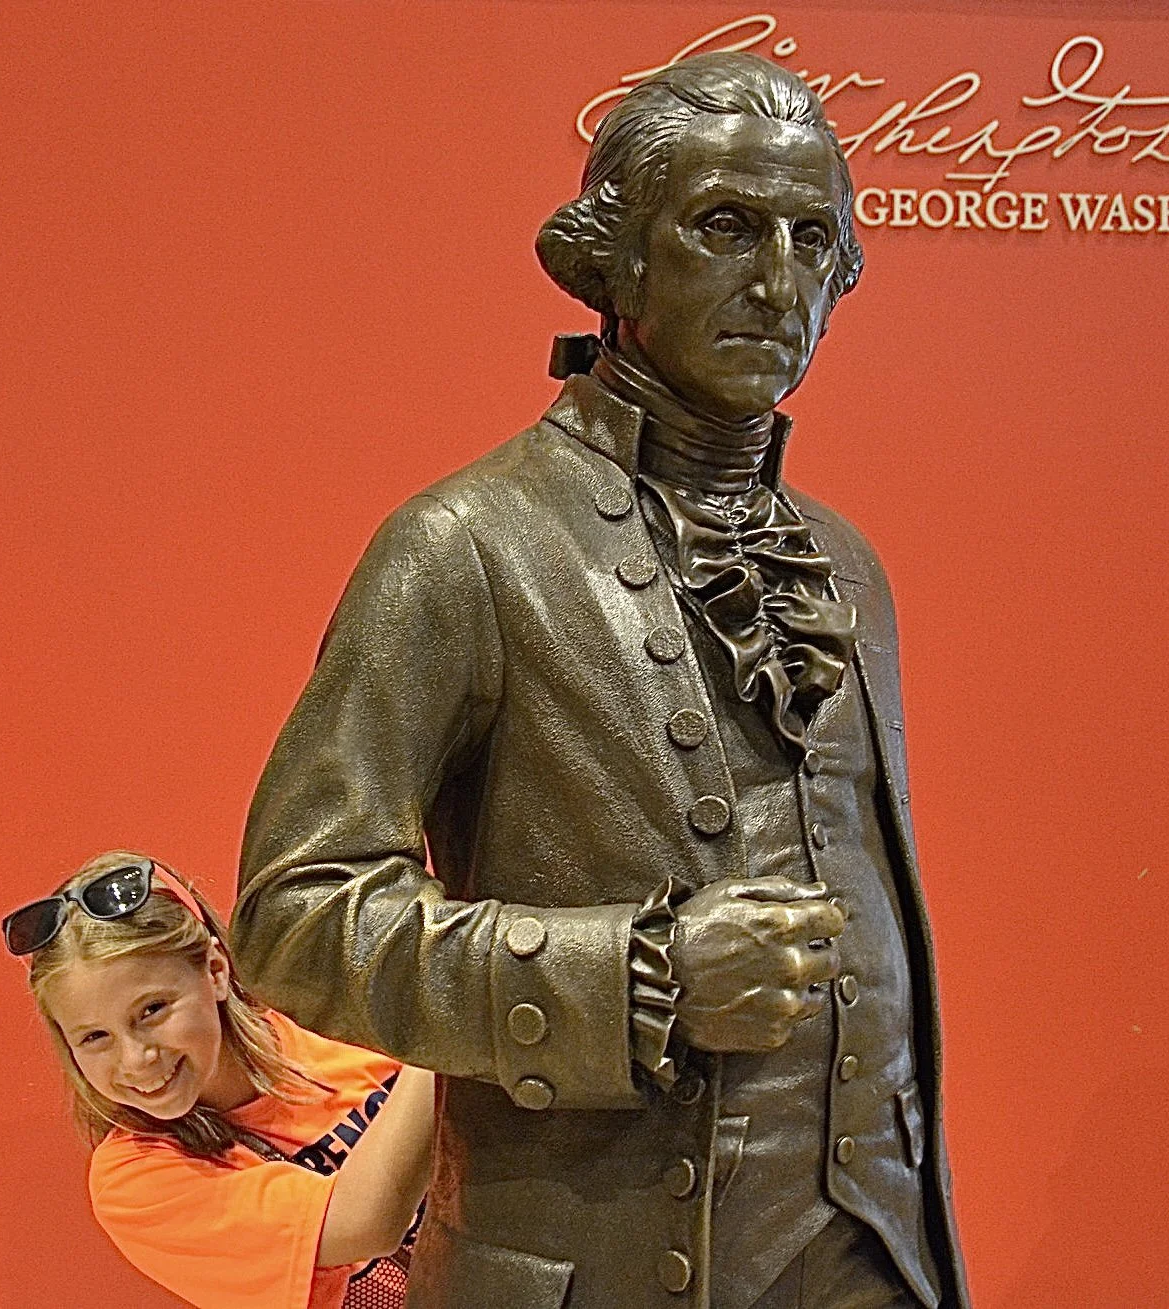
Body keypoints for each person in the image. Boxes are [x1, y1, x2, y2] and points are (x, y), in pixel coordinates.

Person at [233, 52, 969, 1308]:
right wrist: (637, 975)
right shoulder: (464, 545)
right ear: (613, 257)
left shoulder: (847, 563)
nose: (776, 280)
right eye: (725, 227)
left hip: (875, 1252)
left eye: (812, 240)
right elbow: (293, 919)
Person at [7, 851, 435, 1309]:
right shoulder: (134, 1183)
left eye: (152, 1010)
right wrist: (449, 1039)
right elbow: (366, 1224)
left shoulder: (323, 1018)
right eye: (95, 1036)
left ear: (215, 971)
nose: (136, 1059)